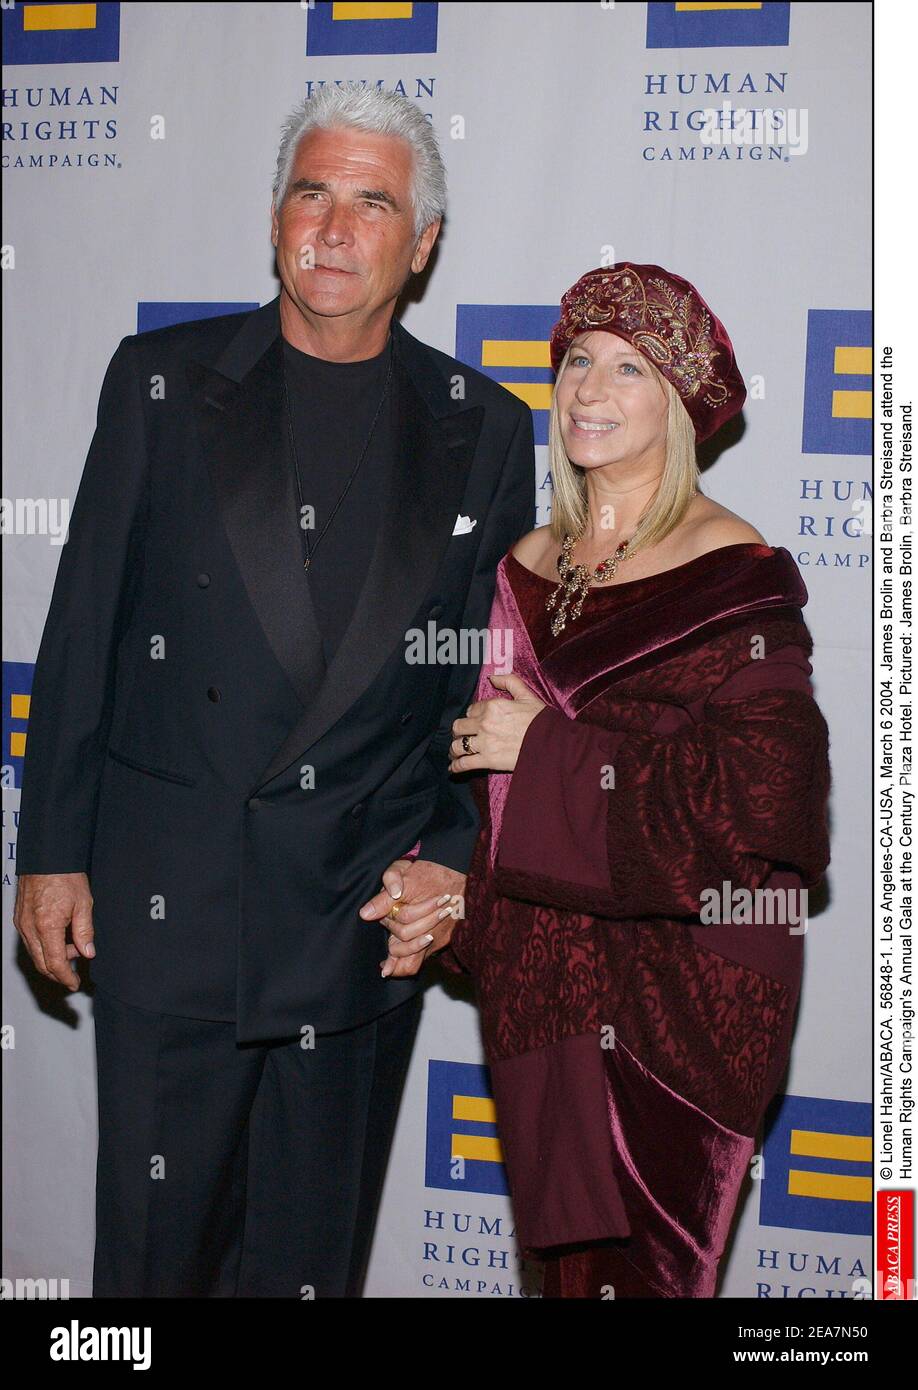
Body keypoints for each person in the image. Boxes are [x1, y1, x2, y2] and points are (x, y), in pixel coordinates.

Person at [12, 83, 534, 1297]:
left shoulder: (486, 427)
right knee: (150, 1269)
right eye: (312, 192)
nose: (335, 227)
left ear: (424, 243)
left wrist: (454, 856)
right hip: (166, 902)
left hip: (353, 919)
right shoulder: (160, 380)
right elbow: (84, 626)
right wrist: (49, 849)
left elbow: (479, 670)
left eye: (372, 201)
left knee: (307, 1270)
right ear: (274, 217)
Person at [367, 262, 832, 1298]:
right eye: (578, 361)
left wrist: (551, 752)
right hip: (546, 1000)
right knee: (568, 1279)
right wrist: (454, 898)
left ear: (677, 406)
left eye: (629, 369)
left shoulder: (734, 571)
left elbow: (771, 813)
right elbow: (496, 806)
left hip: (686, 1008)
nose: (589, 389)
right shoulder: (528, 566)